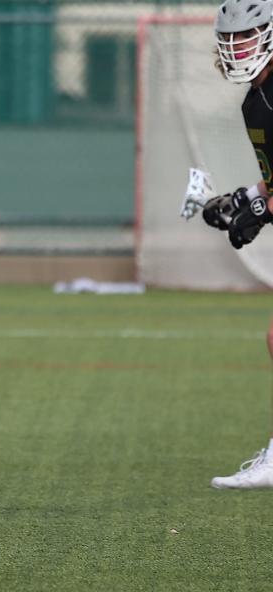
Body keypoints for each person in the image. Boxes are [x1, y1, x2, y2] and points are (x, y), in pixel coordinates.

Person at [203, 0, 273, 488]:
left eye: (246, 36)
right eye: (230, 39)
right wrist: (247, 198)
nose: (236, 47)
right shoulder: (256, 99)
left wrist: (258, 211)